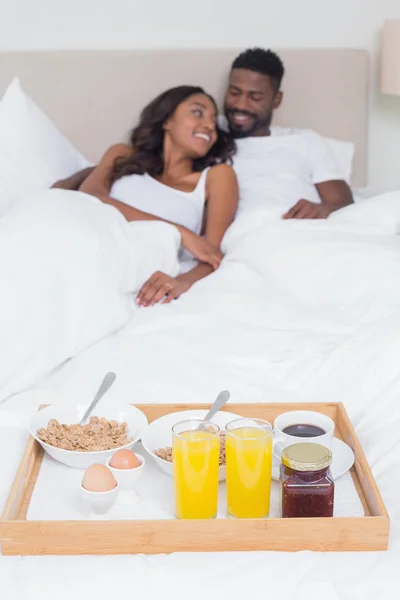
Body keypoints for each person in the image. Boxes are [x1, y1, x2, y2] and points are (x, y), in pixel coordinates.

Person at [55, 86, 238, 307]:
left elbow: (211, 255)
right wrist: (181, 233)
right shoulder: (122, 155)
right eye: (197, 113)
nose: (209, 125)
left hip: (136, 270)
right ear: (166, 120)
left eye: (213, 122)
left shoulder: (216, 177)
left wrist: (181, 282)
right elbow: (89, 197)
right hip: (86, 243)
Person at [221, 47, 354, 219]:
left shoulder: (306, 141)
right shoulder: (207, 139)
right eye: (234, 93)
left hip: (305, 231)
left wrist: (321, 210)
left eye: (255, 97)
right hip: (248, 233)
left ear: (277, 99)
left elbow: (344, 207)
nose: (241, 105)